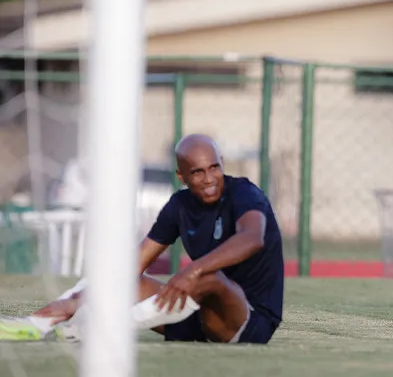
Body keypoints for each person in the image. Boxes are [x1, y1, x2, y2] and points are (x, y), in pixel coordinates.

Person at [0, 134, 284, 344]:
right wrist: (78, 298)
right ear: (181, 175)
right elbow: (134, 265)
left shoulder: (244, 193)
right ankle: (40, 321)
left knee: (209, 278)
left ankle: (102, 330)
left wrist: (193, 269)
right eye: (197, 172)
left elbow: (252, 238)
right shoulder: (179, 205)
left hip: (249, 322)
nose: (209, 178)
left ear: (222, 165)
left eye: (214, 168)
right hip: (196, 315)